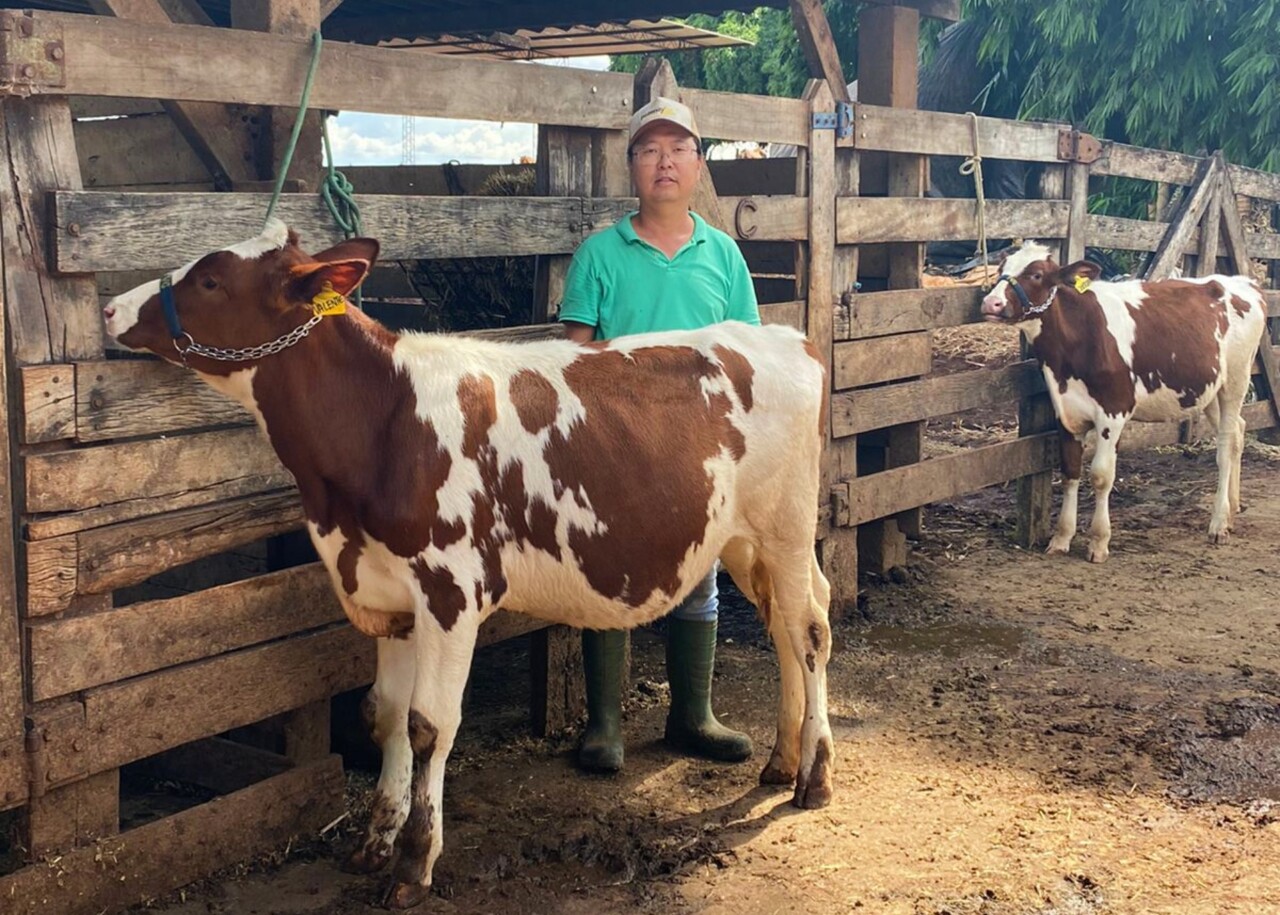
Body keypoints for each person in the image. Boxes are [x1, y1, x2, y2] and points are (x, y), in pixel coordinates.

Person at [559, 96, 760, 772]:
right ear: (633, 167)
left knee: (698, 577)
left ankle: (691, 714)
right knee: (605, 572)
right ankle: (604, 725)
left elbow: (744, 355)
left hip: (695, 452)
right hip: (615, 447)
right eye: (650, 150)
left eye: (678, 148)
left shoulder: (723, 256)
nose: (665, 161)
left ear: (699, 165)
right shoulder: (599, 255)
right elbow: (572, 358)